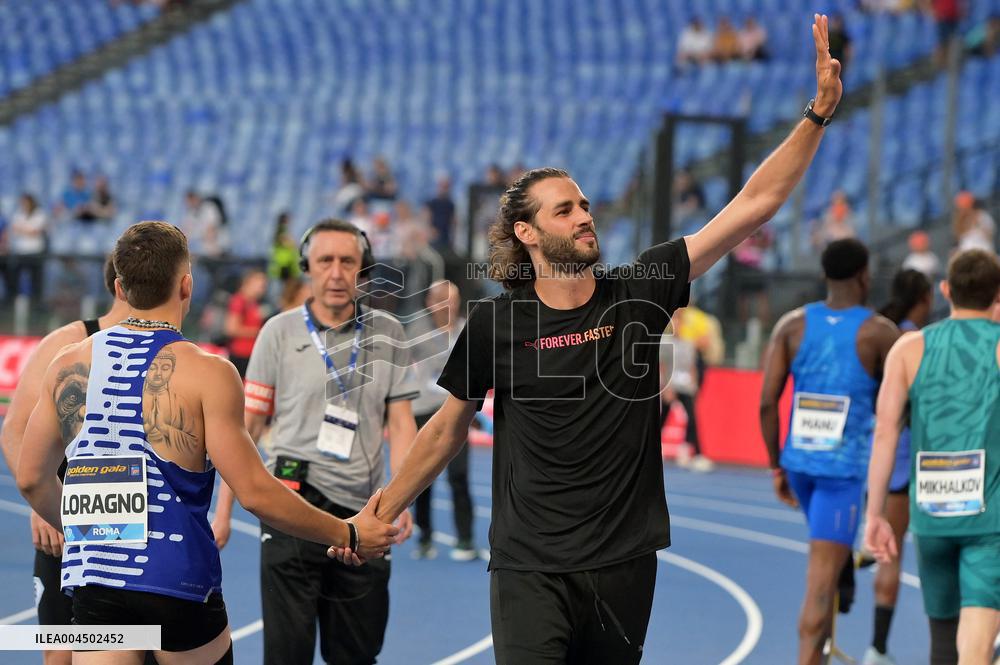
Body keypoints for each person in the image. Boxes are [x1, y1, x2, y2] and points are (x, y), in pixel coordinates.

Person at [336, 16, 844, 664]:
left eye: (584, 205)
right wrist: (380, 510)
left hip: (623, 563)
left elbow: (754, 204)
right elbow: (445, 428)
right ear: (526, 232)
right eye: (564, 209)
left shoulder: (642, 289)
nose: (584, 216)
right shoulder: (496, 322)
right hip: (528, 566)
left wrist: (816, 114)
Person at [15, 222, 396, 665]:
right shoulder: (209, 373)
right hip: (178, 583)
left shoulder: (67, 364)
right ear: (186, 285)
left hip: (98, 581)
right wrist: (347, 532)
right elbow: (255, 491)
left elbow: (29, 477)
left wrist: (85, 528)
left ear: (119, 286)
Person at [212, 218, 418, 665]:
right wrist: (223, 510)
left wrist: (403, 499)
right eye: (325, 261)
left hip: (365, 513)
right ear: (308, 266)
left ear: (364, 268)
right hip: (290, 504)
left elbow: (401, 425)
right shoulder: (278, 332)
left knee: (357, 654)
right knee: (287, 654)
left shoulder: (389, 333)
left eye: (348, 261)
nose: (337, 272)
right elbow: (248, 429)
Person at [759, 239, 900, 665]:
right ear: (865, 275)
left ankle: (841, 572)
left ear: (824, 275)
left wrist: (775, 467)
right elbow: (902, 402)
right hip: (842, 476)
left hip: (799, 466)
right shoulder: (880, 332)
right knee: (819, 586)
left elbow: (767, 403)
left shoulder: (792, 325)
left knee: (828, 561)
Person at [866, 249, 1000, 665]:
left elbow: (885, 434)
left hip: (931, 516)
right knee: (975, 650)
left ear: (946, 291)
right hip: (988, 519)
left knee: (942, 644)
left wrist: (875, 516)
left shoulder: (909, 348)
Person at [0, 258, 130, 665]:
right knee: (62, 655)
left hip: (133, 527)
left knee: (132, 649)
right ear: (120, 285)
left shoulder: (170, 350)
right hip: (67, 523)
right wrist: (41, 504)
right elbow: (15, 429)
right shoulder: (67, 343)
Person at [858, 268, 934, 665]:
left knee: (890, 553)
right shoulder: (915, 343)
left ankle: (878, 648)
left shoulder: (883, 333)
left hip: (889, 463)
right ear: (925, 298)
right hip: (916, 460)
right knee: (937, 554)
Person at [408, 281, 478, 560]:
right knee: (423, 477)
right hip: (425, 411)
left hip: (458, 412)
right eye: (442, 299)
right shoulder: (416, 331)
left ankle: (465, 539)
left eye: (453, 299)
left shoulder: (467, 329)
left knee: (460, 476)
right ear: (429, 302)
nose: (448, 305)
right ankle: (424, 537)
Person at [224, 269, 268, 378]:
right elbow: (232, 328)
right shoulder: (239, 301)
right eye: (260, 284)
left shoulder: (254, 303)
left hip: (250, 355)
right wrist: (260, 332)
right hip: (240, 355)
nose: (262, 288)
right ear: (248, 283)